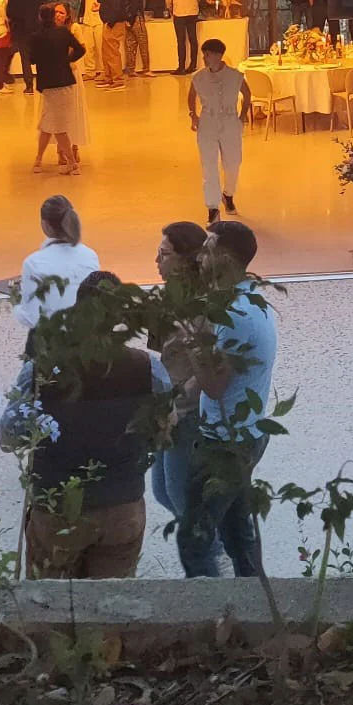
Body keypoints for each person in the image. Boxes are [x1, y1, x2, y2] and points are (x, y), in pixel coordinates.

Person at [0, 270, 169, 579]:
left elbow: (10, 436)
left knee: (49, 600)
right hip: (123, 505)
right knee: (111, 601)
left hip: (56, 506)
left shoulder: (41, 369)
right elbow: (164, 431)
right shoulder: (148, 367)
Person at [175, 221, 279, 578]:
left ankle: (208, 606)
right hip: (244, 434)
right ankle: (254, 599)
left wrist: (191, 342)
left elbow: (215, 386)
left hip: (225, 444)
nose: (199, 257)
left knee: (194, 539)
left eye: (207, 250)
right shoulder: (248, 301)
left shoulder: (236, 315)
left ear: (226, 259)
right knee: (237, 534)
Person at [149, 221, 218, 566]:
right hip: (168, 406)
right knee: (162, 491)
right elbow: (158, 356)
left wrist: (180, 403)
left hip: (188, 413)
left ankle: (212, 559)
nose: (156, 262)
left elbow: (208, 368)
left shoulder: (205, 307)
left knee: (182, 499)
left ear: (187, 260)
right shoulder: (165, 300)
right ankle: (215, 544)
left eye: (163, 254)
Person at [14, 195, 101, 336]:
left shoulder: (33, 263)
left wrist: (16, 303)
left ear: (44, 225)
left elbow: (31, 319)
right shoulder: (91, 256)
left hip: (54, 342)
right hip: (85, 339)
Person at [189, 38, 251, 224]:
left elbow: (247, 93)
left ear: (218, 55)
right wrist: (193, 115)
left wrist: (242, 115)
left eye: (207, 54)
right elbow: (191, 95)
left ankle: (228, 194)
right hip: (208, 121)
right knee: (209, 166)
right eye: (204, 55)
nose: (205, 58)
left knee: (233, 163)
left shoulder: (235, 75)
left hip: (230, 120)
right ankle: (212, 208)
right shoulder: (199, 77)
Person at [29, 2, 86, 174]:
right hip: (65, 81)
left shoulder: (36, 37)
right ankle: (40, 159)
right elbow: (80, 50)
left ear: (40, 17)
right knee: (48, 124)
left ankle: (71, 163)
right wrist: (66, 60)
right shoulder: (63, 32)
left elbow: (32, 59)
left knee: (54, 125)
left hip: (48, 83)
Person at [50, 1, 90, 169]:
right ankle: (60, 149)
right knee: (58, 112)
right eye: (56, 12)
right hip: (54, 75)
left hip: (71, 73)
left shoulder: (74, 28)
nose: (58, 15)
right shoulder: (49, 29)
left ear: (67, 15)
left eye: (61, 12)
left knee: (73, 110)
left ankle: (74, 147)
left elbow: (82, 47)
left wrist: (67, 59)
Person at [6, 0, 44, 95]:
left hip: (21, 31)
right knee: (40, 57)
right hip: (37, 30)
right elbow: (44, 11)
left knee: (25, 58)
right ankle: (42, 84)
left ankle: (29, 86)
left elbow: (9, 14)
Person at [97, 0, 130, 88]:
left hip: (113, 23)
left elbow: (117, 7)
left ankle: (117, 79)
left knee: (112, 51)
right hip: (110, 22)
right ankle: (108, 77)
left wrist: (110, 22)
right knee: (106, 51)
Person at [168, 0, 203, 75]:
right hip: (192, 12)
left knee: (181, 40)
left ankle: (181, 67)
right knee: (193, 39)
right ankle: (193, 65)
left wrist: (170, 8)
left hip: (179, 12)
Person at [122, 0, 151, 77]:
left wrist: (127, 20)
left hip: (128, 21)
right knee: (143, 44)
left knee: (130, 45)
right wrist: (131, 20)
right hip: (137, 20)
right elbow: (134, 8)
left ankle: (131, 69)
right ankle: (146, 69)